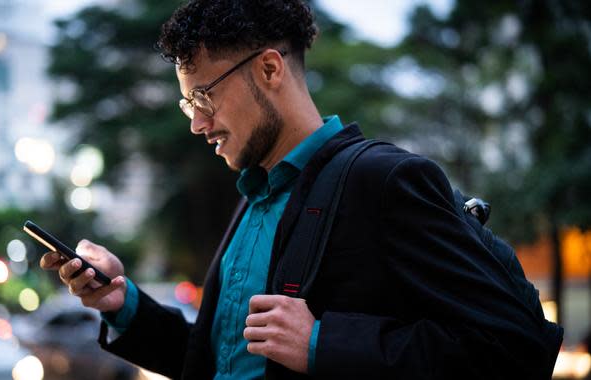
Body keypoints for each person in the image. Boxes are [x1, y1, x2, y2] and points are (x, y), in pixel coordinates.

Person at [40, 1, 561, 379]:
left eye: (204, 96)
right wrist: (121, 302)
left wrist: (322, 343)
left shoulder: (382, 181)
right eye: (187, 104)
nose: (198, 123)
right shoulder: (254, 198)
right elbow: (218, 361)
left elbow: (510, 345)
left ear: (269, 69)